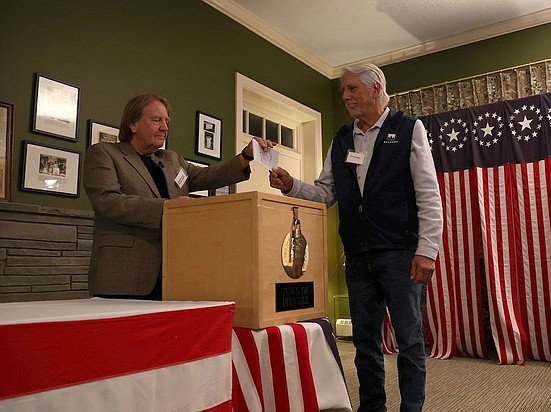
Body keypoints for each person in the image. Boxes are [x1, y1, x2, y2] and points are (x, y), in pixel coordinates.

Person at [269, 64, 443, 412]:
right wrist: (292, 186)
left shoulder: (409, 129)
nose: (346, 96)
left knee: (409, 340)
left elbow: (428, 192)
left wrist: (427, 250)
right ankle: (372, 407)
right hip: (358, 256)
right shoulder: (342, 140)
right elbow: (326, 193)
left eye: (351, 89)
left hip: (400, 253)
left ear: (376, 88)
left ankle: (412, 407)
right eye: (344, 91)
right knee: (364, 341)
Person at [83, 93, 273, 300]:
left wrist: (246, 156)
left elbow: (209, 176)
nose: (164, 127)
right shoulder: (104, 153)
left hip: (175, 274)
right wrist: (169, 208)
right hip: (124, 273)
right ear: (133, 124)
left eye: (166, 121)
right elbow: (108, 202)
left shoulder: (172, 159)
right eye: (156, 120)